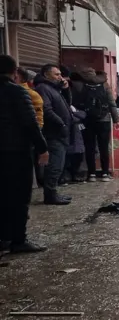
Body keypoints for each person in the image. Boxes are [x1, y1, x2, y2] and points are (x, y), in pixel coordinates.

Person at [0, 55, 49, 253]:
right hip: (15, 152)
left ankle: (3, 237)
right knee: (19, 196)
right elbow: (30, 123)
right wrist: (42, 147)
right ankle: (18, 240)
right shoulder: (17, 92)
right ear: (14, 73)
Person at [34, 65, 72, 203]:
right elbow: (46, 110)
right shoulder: (43, 88)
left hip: (61, 132)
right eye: (56, 74)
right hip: (53, 133)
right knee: (55, 165)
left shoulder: (54, 88)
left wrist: (66, 89)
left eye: (60, 74)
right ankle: (50, 195)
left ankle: (53, 193)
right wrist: (61, 124)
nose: (60, 77)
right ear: (46, 75)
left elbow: (68, 104)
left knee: (59, 164)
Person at [77, 67, 119, 180]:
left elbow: (76, 102)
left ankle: (91, 174)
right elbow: (111, 102)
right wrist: (116, 119)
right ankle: (105, 173)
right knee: (103, 147)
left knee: (89, 147)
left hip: (87, 120)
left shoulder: (80, 85)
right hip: (104, 120)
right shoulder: (104, 84)